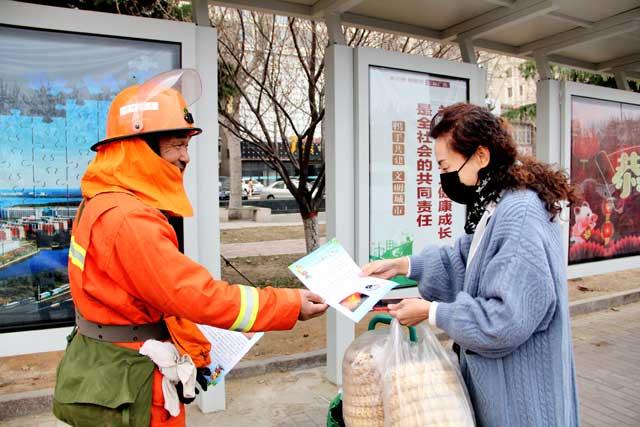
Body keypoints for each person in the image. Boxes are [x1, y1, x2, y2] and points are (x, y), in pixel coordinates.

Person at [53, 69, 327, 427]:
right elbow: (194, 295)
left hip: (109, 365)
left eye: (187, 145)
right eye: (177, 145)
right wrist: (288, 304)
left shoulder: (102, 201)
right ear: (141, 146)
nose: (186, 158)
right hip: (134, 379)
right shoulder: (130, 218)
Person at [361, 103, 580, 426]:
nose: (445, 179)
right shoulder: (500, 202)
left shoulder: (518, 214)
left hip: (521, 396)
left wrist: (432, 312)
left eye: (447, 166)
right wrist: (404, 265)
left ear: (481, 155)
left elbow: (507, 318)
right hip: (503, 388)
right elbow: (468, 262)